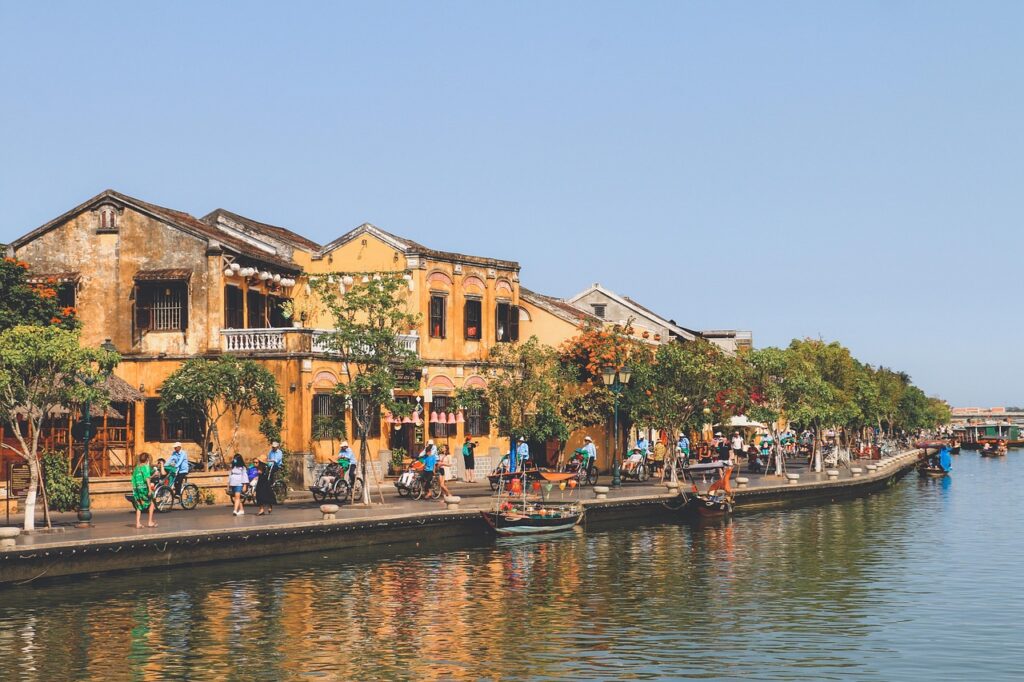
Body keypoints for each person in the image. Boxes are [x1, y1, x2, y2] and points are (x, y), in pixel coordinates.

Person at [132, 452, 157, 528]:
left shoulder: (136, 468)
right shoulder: (145, 467)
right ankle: (150, 522)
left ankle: (138, 523)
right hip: (144, 489)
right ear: (147, 459)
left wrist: (135, 490)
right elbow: (147, 479)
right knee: (152, 502)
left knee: (139, 505)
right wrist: (149, 490)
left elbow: (133, 479)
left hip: (137, 489)